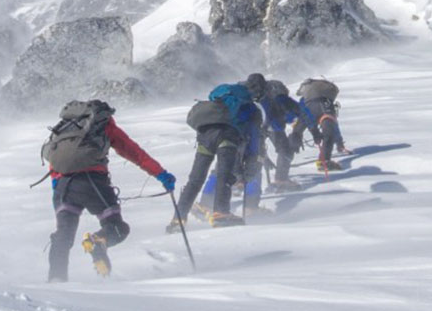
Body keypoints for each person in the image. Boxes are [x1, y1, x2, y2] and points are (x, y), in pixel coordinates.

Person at [42, 99, 175, 282]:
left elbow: (55, 162)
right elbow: (134, 152)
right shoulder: (103, 125)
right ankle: (99, 240)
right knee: (117, 228)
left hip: (63, 187)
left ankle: (56, 281)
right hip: (93, 183)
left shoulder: (65, 128)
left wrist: (57, 192)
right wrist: (161, 174)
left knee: (63, 236)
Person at [168, 81, 261, 231]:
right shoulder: (252, 109)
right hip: (227, 136)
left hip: (205, 135)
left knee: (195, 179)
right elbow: (254, 139)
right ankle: (221, 213)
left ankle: (178, 218)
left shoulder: (221, 98)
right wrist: (251, 162)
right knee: (225, 175)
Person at [254, 76, 320, 193]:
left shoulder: (255, 100)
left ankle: (240, 183)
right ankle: (281, 180)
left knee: (254, 153)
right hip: (275, 128)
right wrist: (314, 131)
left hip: (255, 128)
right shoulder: (282, 99)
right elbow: (303, 113)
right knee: (285, 151)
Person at [290, 78, 350, 172]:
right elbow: (333, 128)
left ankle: (285, 159)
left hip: (308, 111)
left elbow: (306, 117)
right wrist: (339, 143)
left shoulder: (304, 100)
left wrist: (314, 132)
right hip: (324, 110)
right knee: (328, 131)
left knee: (296, 133)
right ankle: (324, 161)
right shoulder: (327, 103)